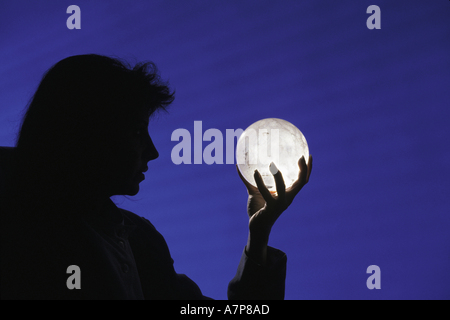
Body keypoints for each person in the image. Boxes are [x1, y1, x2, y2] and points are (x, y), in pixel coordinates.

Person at [0, 54, 312, 300]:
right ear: (84, 134)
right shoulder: (18, 242)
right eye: (137, 132)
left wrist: (258, 235)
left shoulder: (140, 241)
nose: (152, 151)